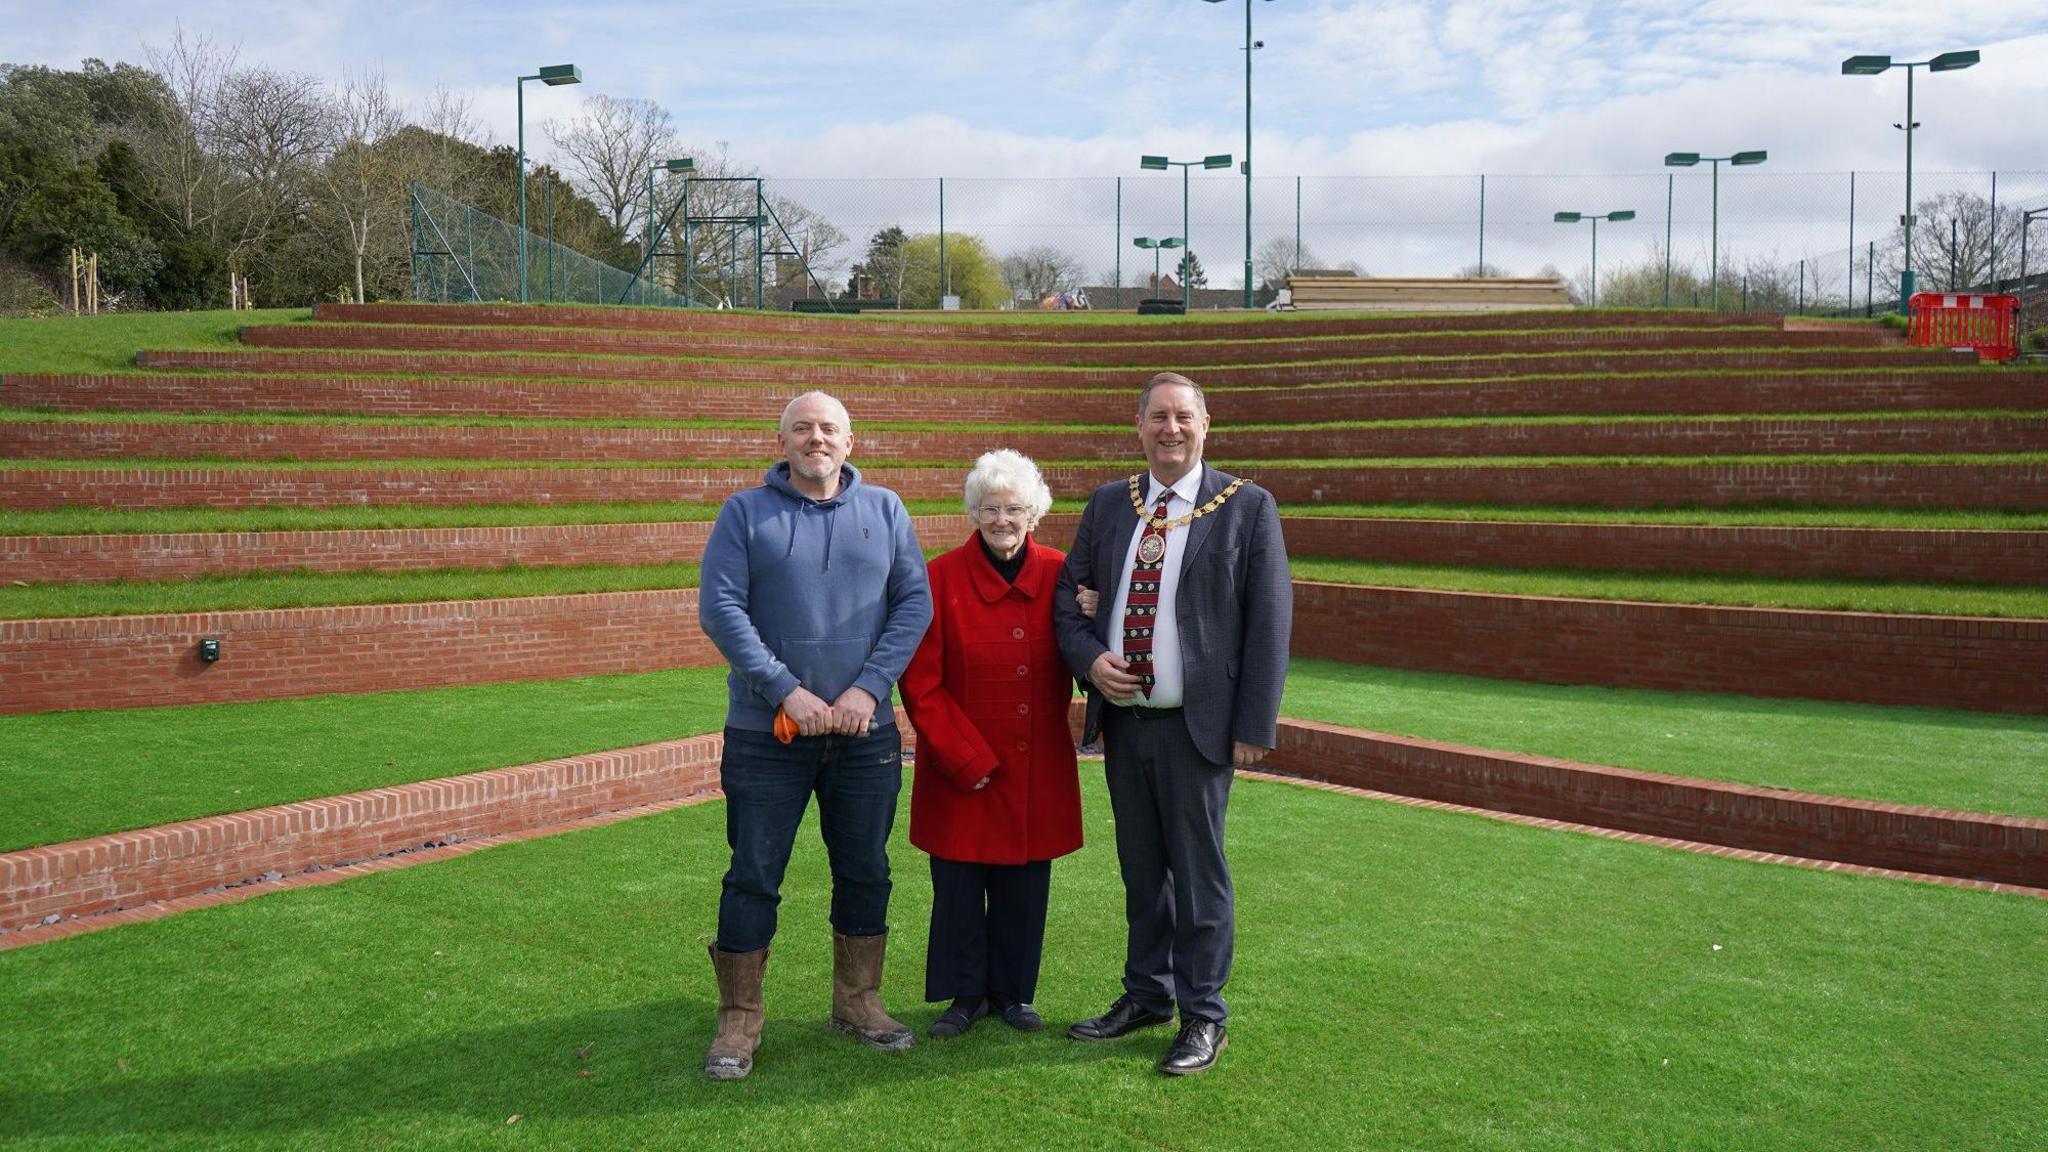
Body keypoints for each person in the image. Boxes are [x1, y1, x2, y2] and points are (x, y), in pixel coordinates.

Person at [1053, 371, 1292, 1076]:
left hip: (1201, 727)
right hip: (1127, 724)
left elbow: (1270, 624)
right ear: (1139, 426)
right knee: (1140, 873)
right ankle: (1147, 995)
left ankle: (1204, 1016)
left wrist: (1254, 723)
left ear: (1205, 424)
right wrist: (1093, 662)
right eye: (1158, 417)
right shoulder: (1109, 504)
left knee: (1199, 877)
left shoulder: (1247, 507)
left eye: (1183, 417)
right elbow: (1069, 602)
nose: (1171, 429)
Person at [696, 390, 934, 1081]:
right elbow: (720, 608)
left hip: (865, 734)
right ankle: (739, 1020)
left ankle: (857, 1001)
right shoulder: (744, 513)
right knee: (753, 875)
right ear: (784, 442)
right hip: (766, 735)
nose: (816, 438)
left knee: (866, 870)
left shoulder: (886, 510)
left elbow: (912, 601)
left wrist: (868, 688)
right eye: (802, 429)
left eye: (828, 428)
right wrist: (785, 690)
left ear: (849, 441)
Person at [899, 450, 1084, 1039]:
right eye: (990, 509)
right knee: (957, 886)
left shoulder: (1063, 573)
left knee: (1024, 888)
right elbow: (920, 682)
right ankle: (965, 996)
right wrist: (964, 758)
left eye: (1015, 509)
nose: (1002, 520)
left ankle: (1013, 994)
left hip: (1037, 770)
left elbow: (1087, 648)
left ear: (1034, 514)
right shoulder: (939, 577)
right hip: (963, 768)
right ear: (974, 513)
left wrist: (1097, 613)